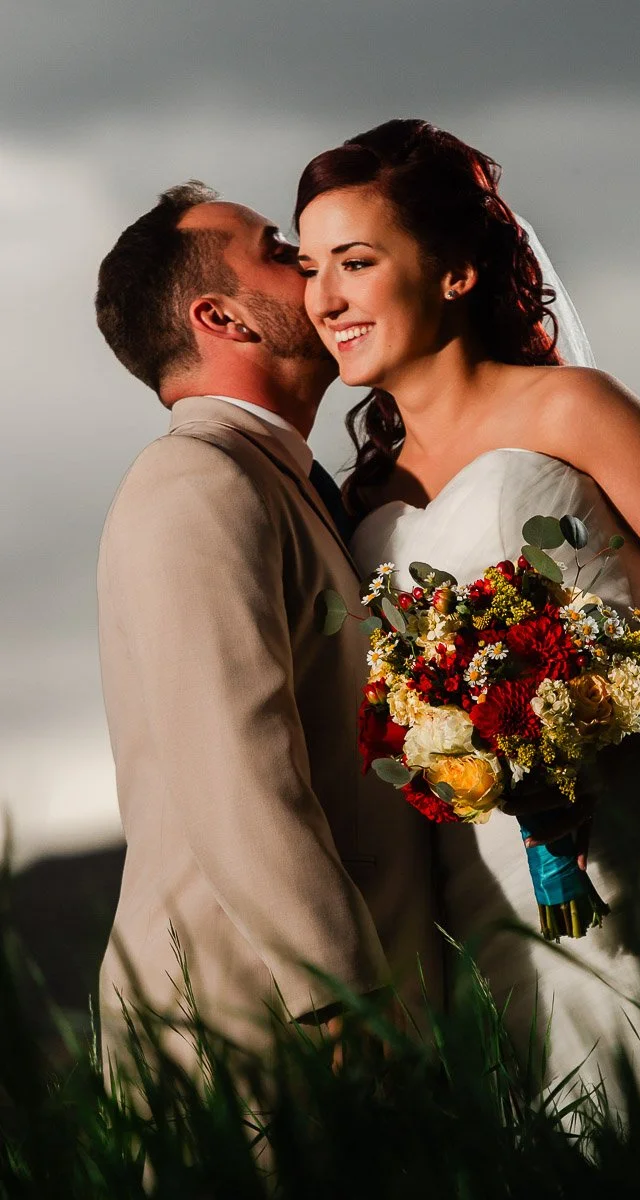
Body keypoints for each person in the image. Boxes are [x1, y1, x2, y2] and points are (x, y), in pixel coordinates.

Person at [293, 119, 640, 1103]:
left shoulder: (571, 409)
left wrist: (591, 740)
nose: (324, 298)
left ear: (455, 272)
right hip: (497, 882)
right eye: (311, 266)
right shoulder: (358, 497)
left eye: (354, 261)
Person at [94, 182, 440, 1078]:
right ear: (223, 317)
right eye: (279, 250)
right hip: (262, 1035)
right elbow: (235, 769)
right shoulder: (195, 482)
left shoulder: (284, 481)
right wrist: (347, 1006)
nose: (316, 265)